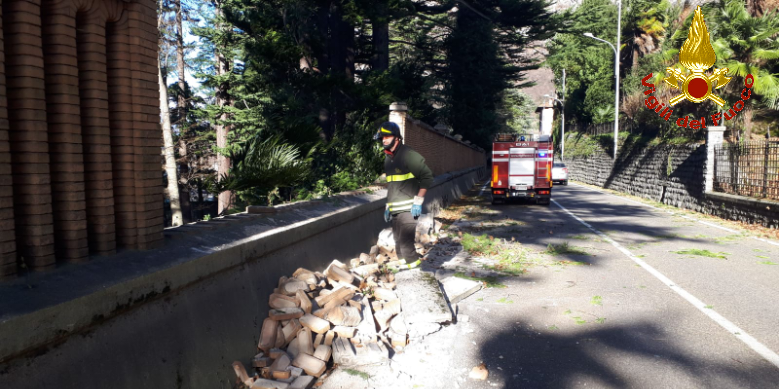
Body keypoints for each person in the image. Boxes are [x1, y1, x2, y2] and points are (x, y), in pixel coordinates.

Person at [374, 121, 434, 267]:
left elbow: (427, 176)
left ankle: (417, 273)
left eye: (387, 136)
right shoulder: (388, 159)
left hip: (409, 208)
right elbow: (392, 185)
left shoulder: (409, 155)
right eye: (382, 138)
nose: (384, 140)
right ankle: (404, 270)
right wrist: (388, 205)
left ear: (397, 138)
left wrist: (418, 201)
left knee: (407, 246)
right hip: (395, 209)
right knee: (398, 243)